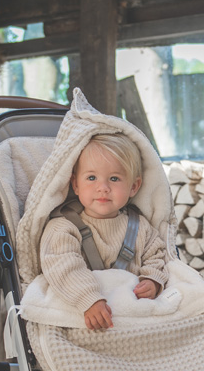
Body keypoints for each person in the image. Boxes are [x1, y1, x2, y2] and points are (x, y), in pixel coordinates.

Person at [38, 131, 168, 331]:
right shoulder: (63, 228)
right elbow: (63, 266)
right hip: (86, 319)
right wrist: (88, 299)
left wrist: (152, 279)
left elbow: (157, 255)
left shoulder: (140, 227)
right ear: (75, 184)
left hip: (132, 324)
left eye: (114, 179)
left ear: (134, 187)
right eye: (91, 177)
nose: (103, 188)